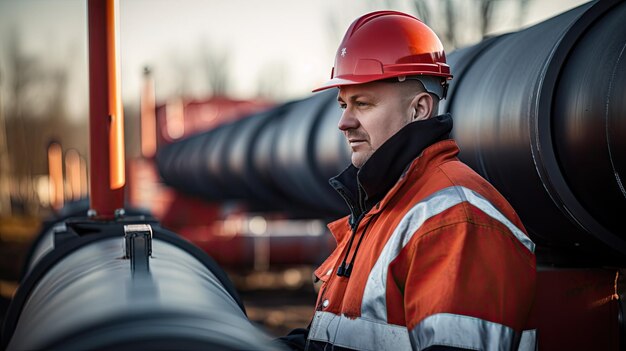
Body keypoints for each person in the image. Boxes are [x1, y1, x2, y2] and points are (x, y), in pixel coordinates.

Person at [280, 10, 537, 351]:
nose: (344, 122)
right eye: (343, 104)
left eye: (363, 103)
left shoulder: (455, 219)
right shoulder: (381, 209)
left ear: (419, 110)